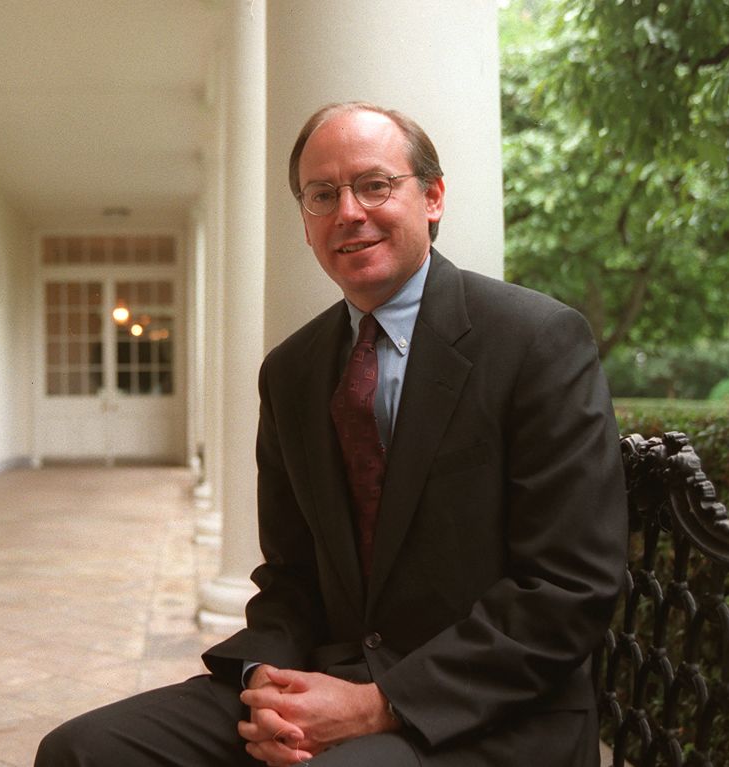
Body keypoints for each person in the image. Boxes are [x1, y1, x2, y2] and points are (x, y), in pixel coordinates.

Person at [36, 101, 627, 766]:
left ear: (432, 197)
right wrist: (267, 679)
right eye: (322, 194)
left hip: (495, 707)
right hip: (332, 676)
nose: (348, 212)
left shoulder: (536, 341)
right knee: (81, 751)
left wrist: (379, 703)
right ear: (306, 221)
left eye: (375, 185)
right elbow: (289, 576)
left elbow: (569, 586)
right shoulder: (290, 372)